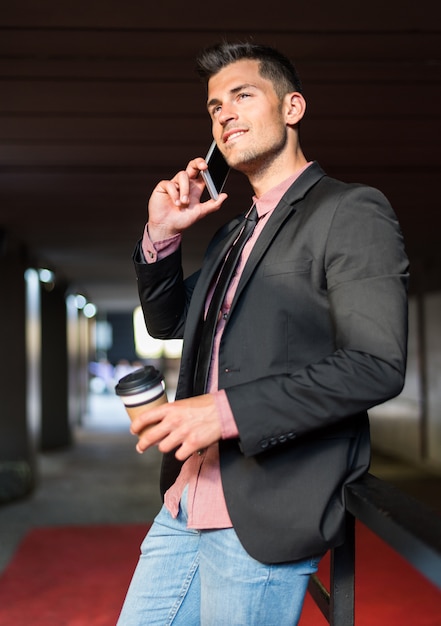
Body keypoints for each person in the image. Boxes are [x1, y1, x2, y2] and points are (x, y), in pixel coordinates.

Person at [117, 41, 409, 625]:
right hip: (184, 500)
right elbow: (167, 320)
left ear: (292, 107)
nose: (224, 113)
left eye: (242, 96)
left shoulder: (350, 211)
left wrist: (223, 413)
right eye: (214, 107)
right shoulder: (232, 236)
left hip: (263, 510)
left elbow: (376, 363)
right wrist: (162, 234)